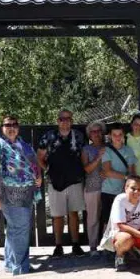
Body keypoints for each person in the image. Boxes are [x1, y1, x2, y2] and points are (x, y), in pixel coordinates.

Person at [0, 115, 42, 275]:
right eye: (8, 125)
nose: (11, 128)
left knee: (14, 229)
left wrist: (38, 176)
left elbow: (33, 163)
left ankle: (10, 264)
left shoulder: (23, 144)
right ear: (2, 127)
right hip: (10, 195)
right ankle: (20, 267)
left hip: (26, 194)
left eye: (14, 124)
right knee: (20, 229)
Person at [37, 109, 86, 257]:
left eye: (68, 118)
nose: (65, 121)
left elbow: (83, 156)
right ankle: (58, 245)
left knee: (74, 213)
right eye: (62, 119)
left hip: (75, 180)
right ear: (58, 121)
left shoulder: (79, 136)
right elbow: (39, 156)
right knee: (57, 215)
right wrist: (48, 169)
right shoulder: (48, 136)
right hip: (55, 181)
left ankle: (75, 244)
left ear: (72, 120)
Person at [99, 175, 140, 271]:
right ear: (126, 188)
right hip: (120, 234)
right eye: (133, 188)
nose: (136, 192)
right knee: (126, 239)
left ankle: (138, 251)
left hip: (137, 231)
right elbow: (121, 226)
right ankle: (120, 257)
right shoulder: (120, 199)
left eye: (139, 189)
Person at [100, 123, 137, 235]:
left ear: (123, 135)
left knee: (124, 221)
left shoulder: (129, 150)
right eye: (114, 135)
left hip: (124, 192)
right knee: (107, 220)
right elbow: (107, 171)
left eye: (120, 134)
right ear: (110, 136)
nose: (117, 137)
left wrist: (127, 179)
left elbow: (132, 172)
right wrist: (125, 177)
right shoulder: (106, 150)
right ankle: (106, 243)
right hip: (108, 191)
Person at [81, 121, 106, 255]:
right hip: (92, 187)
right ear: (89, 135)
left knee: (108, 217)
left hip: (109, 187)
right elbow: (87, 169)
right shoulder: (86, 149)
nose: (96, 134)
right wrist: (98, 157)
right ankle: (93, 246)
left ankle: (107, 245)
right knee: (93, 218)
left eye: (98, 131)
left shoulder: (109, 147)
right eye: (93, 131)